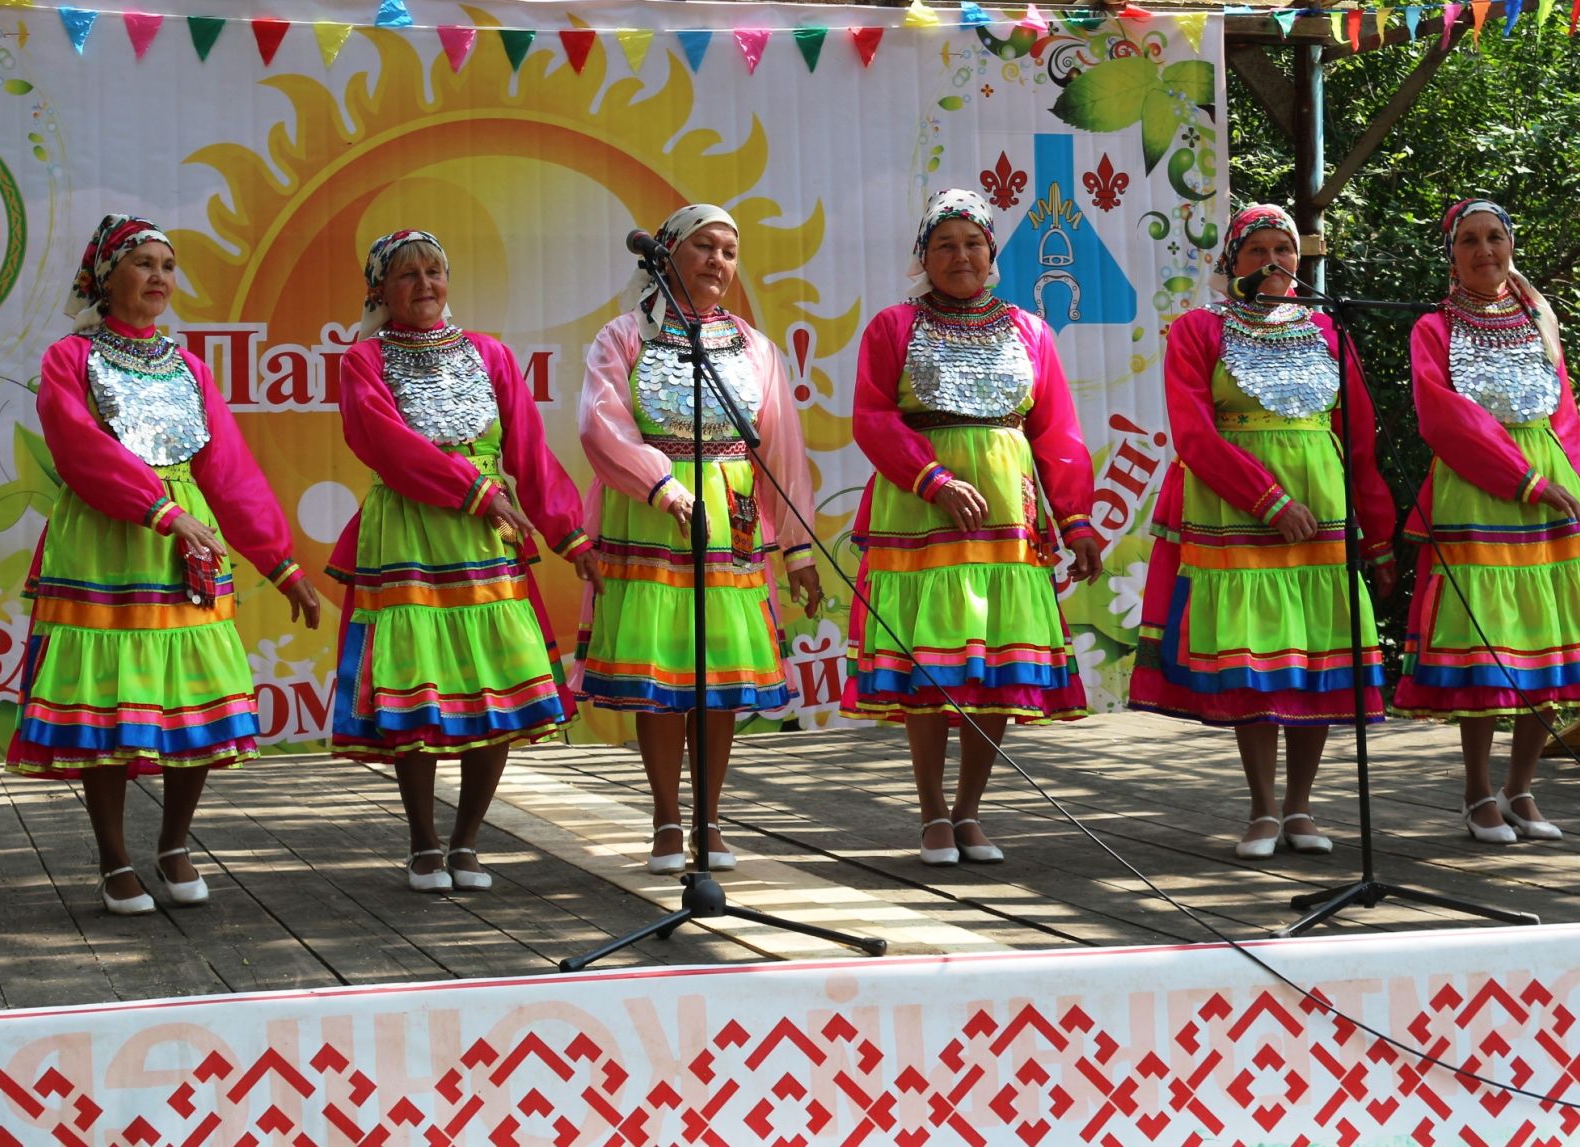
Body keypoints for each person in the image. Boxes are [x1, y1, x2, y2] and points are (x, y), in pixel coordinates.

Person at [9, 214, 322, 915]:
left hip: (187, 542)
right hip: (109, 537)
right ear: (105, 276)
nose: (158, 276)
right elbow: (79, 449)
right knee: (113, 702)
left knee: (195, 694)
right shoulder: (72, 358)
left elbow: (230, 471)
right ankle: (115, 856)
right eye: (142, 262)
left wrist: (281, 564)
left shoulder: (189, 367)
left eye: (167, 265)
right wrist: (161, 511)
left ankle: (175, 842)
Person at [329, 229, 600, 892]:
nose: (425, 285)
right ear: (379, 291)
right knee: (416, 685)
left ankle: (468, 840)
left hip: (487, 539)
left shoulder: (490, 355)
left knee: (497, 684)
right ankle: (424, 843)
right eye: (408, 275)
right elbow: (384, 443)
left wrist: (572, 537)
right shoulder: (364, 359)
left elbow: (530, 454)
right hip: (411, 531)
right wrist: (474, 491)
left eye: (435, 271)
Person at [840, 189, 1103, 867]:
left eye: (973, 243)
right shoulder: (893, 327)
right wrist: (931, 477)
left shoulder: (1030, 332)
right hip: (922, 507)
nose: (961, 256)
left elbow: (1058, 435)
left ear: (992, 254)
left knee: (992, 667)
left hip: (1006, 515)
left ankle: (969, 812)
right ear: (924, 255)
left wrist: (1075, 520)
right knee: (931, 666)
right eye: (946, 244)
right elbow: (872, 417)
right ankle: (931, 813)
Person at [1127, 204, 1398, 860]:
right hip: (1239, 510)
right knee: (1258, 657)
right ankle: (1263, 806)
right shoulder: (1198, 330)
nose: (1274, 261)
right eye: (1258, 251)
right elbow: (1193, 433)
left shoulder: (1330, 330)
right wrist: (1268, 499)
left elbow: (1358, 440)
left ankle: (1302, 807)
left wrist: (1380, 533)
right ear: (1232, 262)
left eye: (1285, 250)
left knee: (1316, 653)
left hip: (1323, 513)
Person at [574, 204, 823, 875]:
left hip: (731, 518)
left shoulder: (752, 348)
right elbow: (601, 425)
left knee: (716, 679)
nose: (718, 261)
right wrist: (661, 484)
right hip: (653, 514)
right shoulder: (623, 337)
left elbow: (783, 452)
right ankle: (664, 817)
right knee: (662, 675)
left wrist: (797, 549)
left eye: (730, 251)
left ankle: (710, 819)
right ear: (667, 254)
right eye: (704, 247)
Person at [1394, 198, 1580, 843]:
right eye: (1469, 240)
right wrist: (1525, 482)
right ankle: (1475, 792)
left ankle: (1522, 788)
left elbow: (1564, 415)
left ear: (1511, 246)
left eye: (1495, 237)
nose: (1484, 250)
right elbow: (1443, 418)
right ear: (1452, 256)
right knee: (1488, 645)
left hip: (1553, 482)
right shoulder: (1433, 328)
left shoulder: (1537, 320)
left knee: (1545, 639)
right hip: (1481, 486)